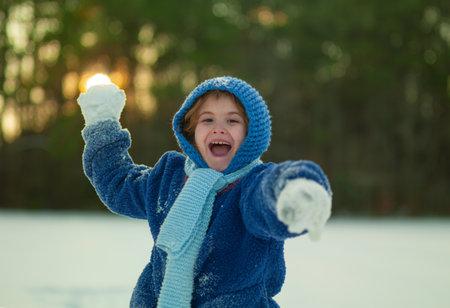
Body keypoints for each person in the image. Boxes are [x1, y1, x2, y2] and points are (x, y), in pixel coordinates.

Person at [77, 76, 332, 308]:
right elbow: (120, 184)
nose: (218, 128)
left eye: (232, 120)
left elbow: (271, 192)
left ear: (251, 133)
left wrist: (296, 190)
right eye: (207, 120)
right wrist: (103, 124)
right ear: (191, 131)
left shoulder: (252, 185)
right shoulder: (170, 178)